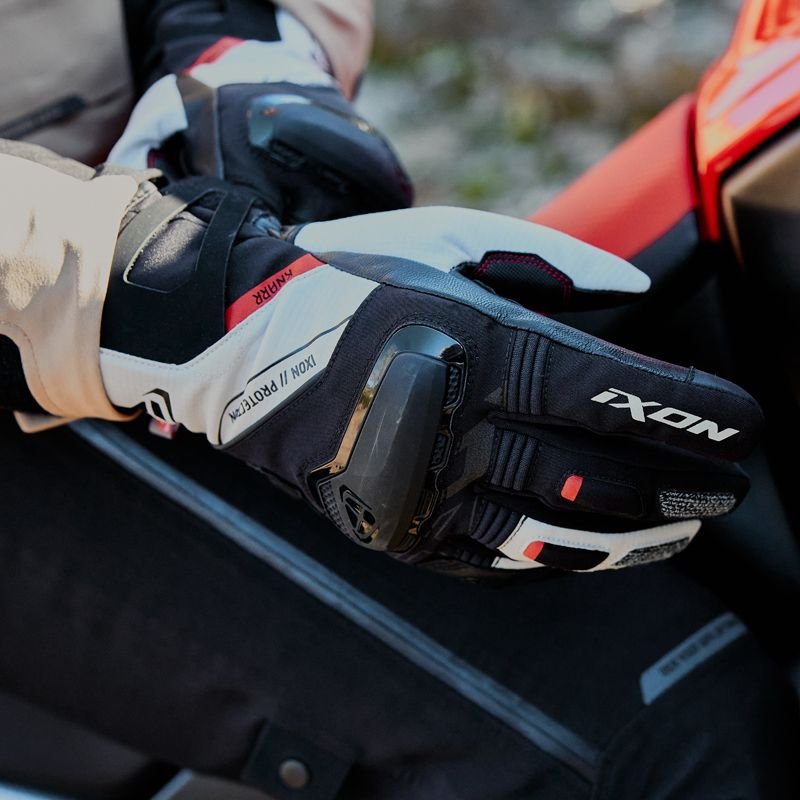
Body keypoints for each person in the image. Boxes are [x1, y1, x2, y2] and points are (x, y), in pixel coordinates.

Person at [0, 2, 797, 798]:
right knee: (667, 735)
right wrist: (176, 293)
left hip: (172, 206)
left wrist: (240, 39)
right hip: (54, 331)